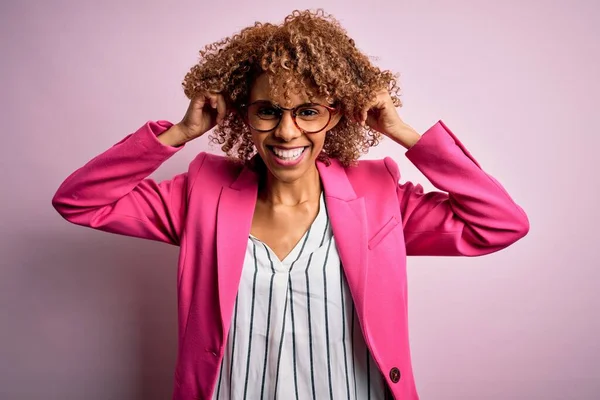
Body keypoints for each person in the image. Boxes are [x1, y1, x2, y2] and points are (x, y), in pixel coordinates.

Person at [52, 9, 529, 400]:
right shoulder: (201, 194)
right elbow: (78, 201)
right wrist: (178, 134)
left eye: (308, 111)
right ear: (243, 113)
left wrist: (404, 133)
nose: (286, 132)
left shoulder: (378, 198)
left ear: (336, 113)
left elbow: (500, 224)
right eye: (268, 111)